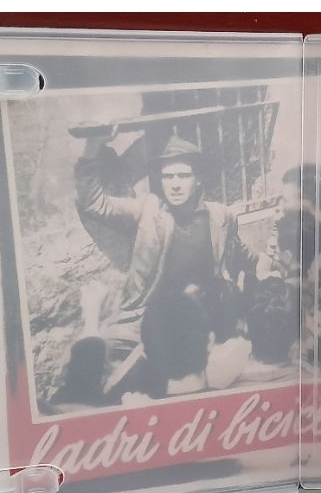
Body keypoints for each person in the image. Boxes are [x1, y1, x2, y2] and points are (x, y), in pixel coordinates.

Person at [64, 129, 258, 403]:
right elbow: (93, 204)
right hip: (148, 320)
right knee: (108, 373)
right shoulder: (148, 212)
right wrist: (92, 148)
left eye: (183, 176)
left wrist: (267, 267)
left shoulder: (221, 217)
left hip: (204, 322)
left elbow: (245, 256)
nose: (175, 185)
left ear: (198, 179)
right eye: (168, 177)